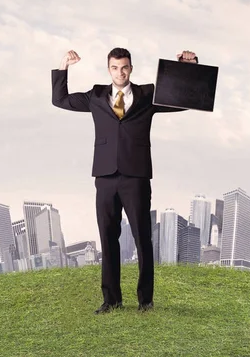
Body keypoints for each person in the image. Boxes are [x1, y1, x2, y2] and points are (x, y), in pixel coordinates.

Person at [51, 47, 198, 313]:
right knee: (108, 238)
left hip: (136, 177)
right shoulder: (95, 96)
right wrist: (64, 66)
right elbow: (59, 99)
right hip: (105, 177)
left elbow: (184, 99)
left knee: (143, 239)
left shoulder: (148, 96)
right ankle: (112, 300)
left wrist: (189, 67)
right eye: (115, 68)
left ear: (131, 68)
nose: (120, 72)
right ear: (109, 69)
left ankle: (146, 300)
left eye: (125, 67)